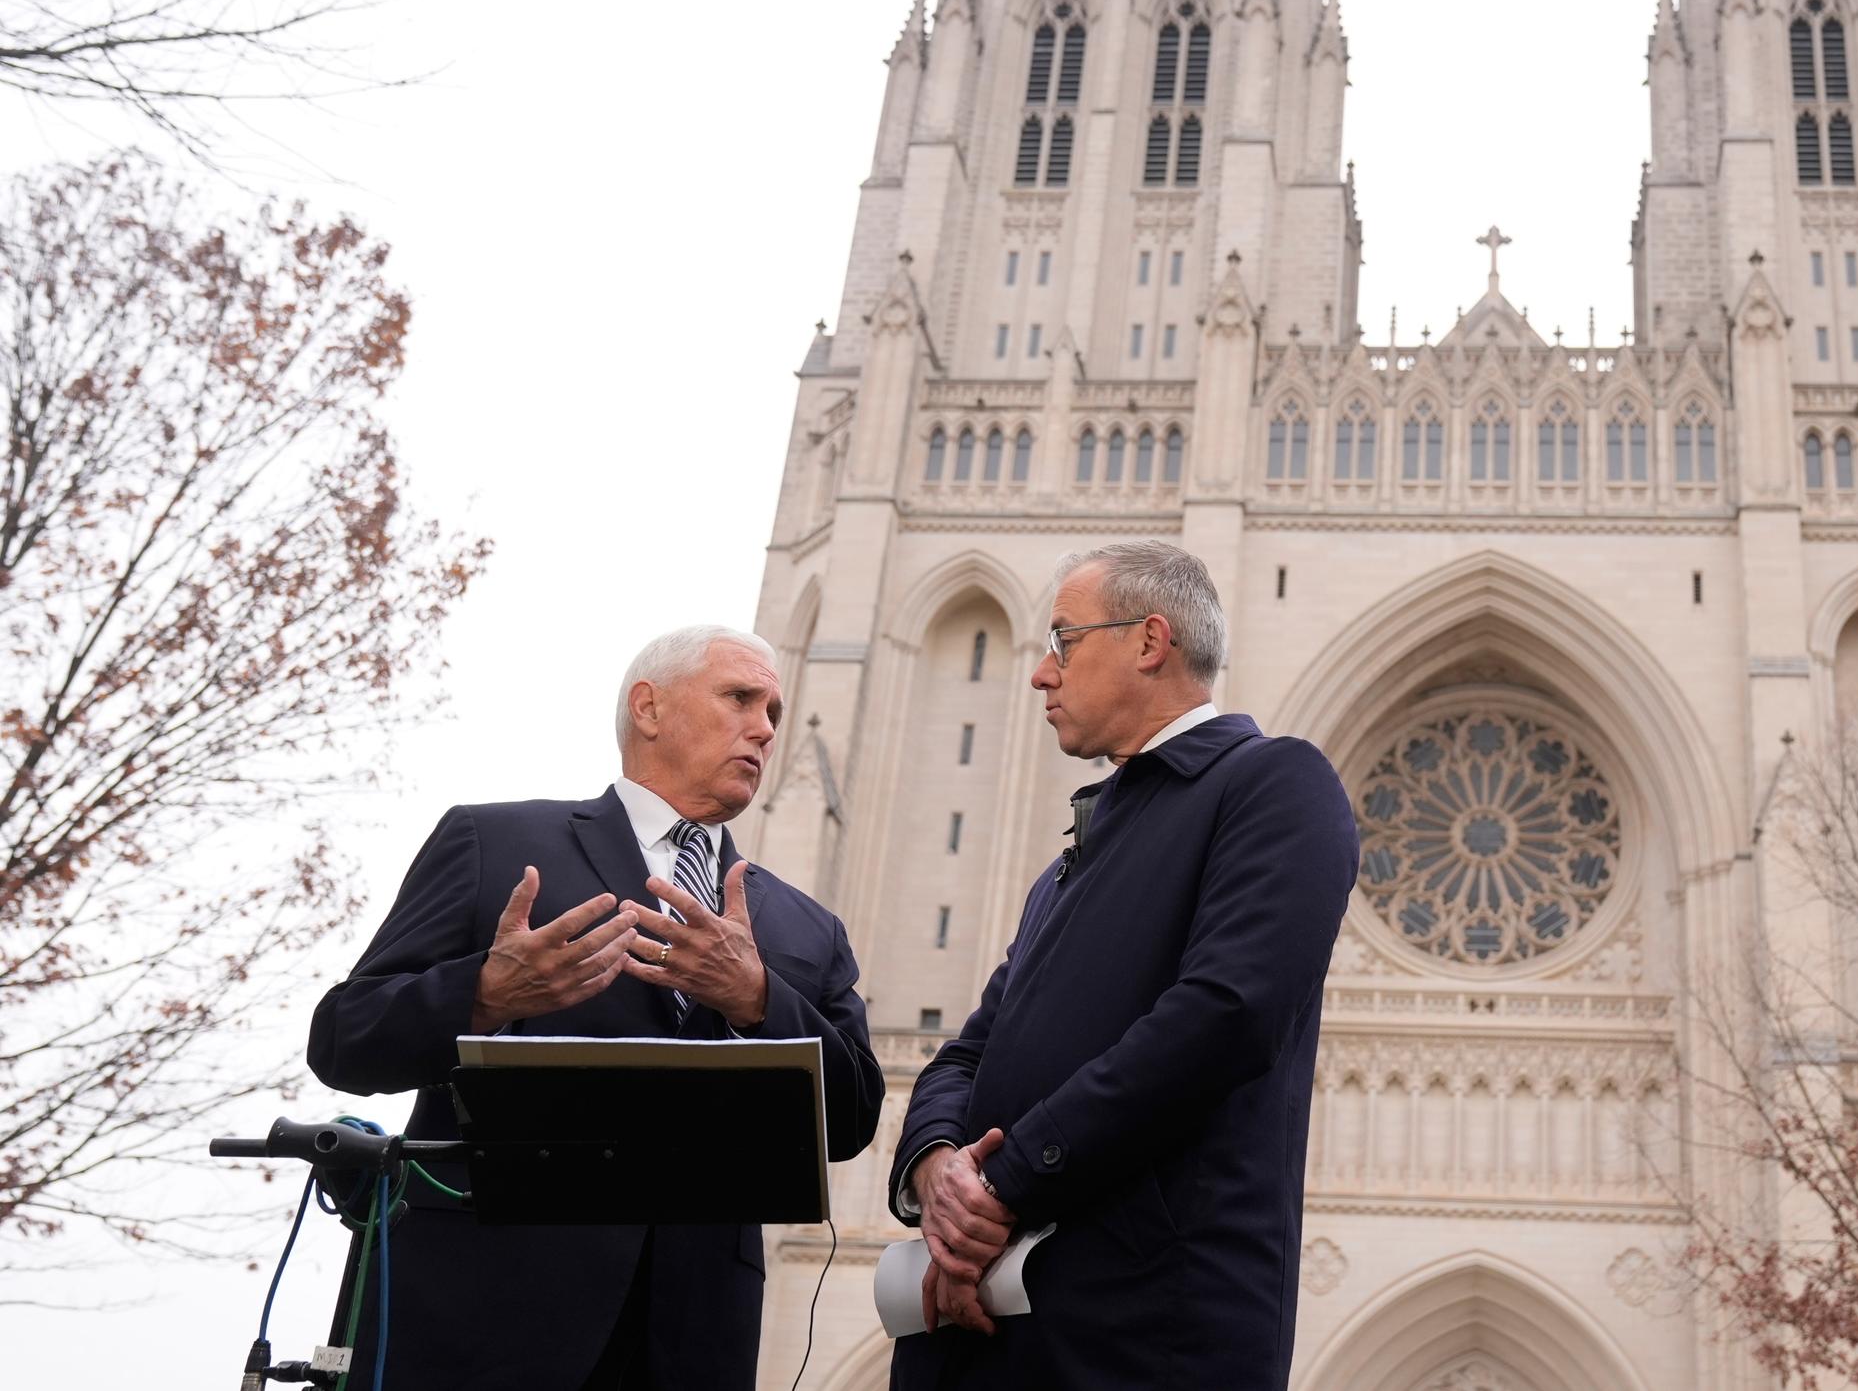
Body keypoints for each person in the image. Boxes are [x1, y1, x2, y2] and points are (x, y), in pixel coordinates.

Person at [307, 624, 882, 1390]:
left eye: (774, 710)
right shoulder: (494, 842)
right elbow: (344, 1038)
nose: (765, 726)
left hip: (693, 1335)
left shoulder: (804, 925)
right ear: (648, 707)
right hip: (478, 1312)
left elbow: (853, 1121)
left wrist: (758, 999)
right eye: (740, 698)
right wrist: (483, 991)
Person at [888, 541, 1358, 1390]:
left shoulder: (1271, 782)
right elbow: (967, 1051)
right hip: (980, 1331)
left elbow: (1223, 1013)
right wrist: (936, 1167)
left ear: (1149, 641)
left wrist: (1005, 1182)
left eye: (1063, 641)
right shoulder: (1067, 864)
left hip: (1138, 1335)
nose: (1039, 673)